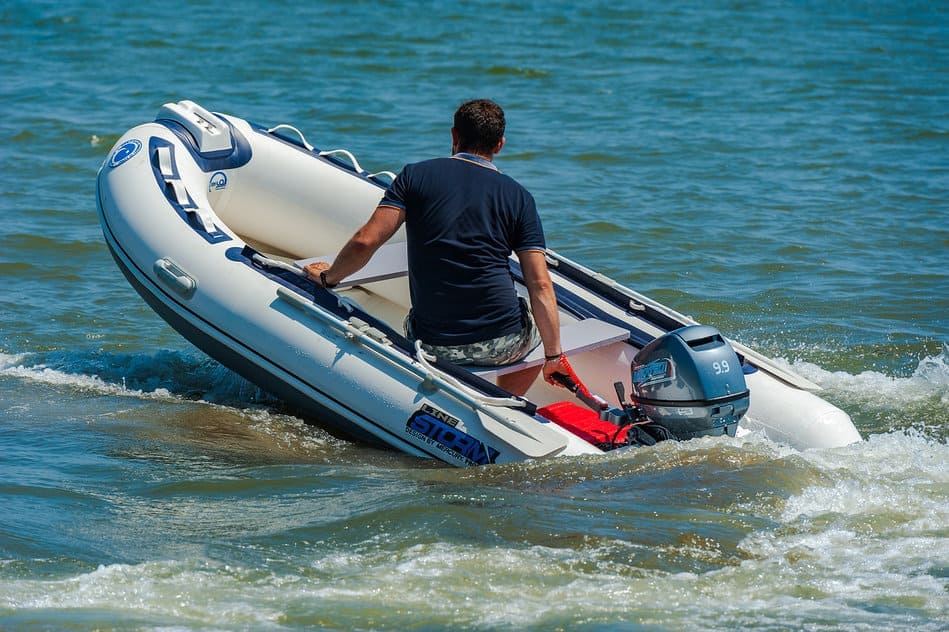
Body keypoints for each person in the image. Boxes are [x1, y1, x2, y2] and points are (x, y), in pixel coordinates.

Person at [304, 99, 571, 395]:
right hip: (502, 343)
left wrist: (329, 277)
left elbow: (365, 241)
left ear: (454, 136)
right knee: (529, 318)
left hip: (432, 343)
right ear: (499, 145)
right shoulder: (520, 198)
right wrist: (553, 356)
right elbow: (540, 284)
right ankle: (507, 398)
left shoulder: (414, 176)